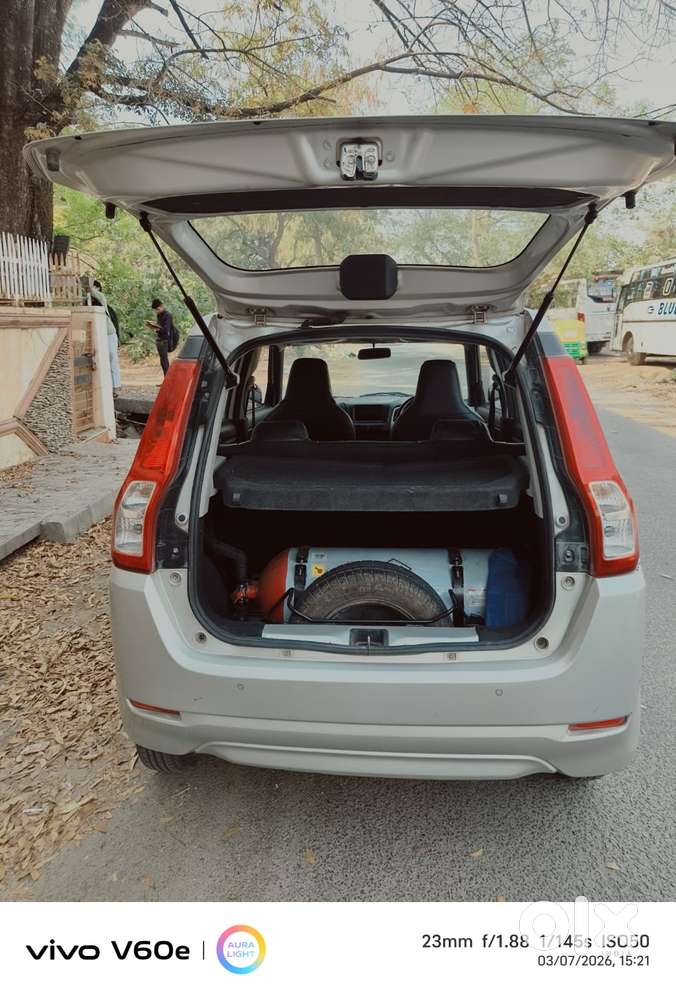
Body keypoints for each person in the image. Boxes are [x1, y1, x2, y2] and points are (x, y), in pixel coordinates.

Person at [91, 279, 121, 398]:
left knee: (112, 358)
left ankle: (116, 386)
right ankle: (107, 387)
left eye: (94, 287)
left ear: (98, 288)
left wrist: (87, 286)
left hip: (109, 333)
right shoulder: (88, 301)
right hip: (100, 334)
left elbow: (93, 292)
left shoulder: (102, 298)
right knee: (102, 361)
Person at [145, 298, 174, 378]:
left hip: (165, 340)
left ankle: (167, 380)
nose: (156, 311)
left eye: (157, 309)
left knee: (164, 361)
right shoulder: (159, 315)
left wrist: (157, 327)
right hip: (159, 339)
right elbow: (159, 327)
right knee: (162, 361)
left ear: (162, 306)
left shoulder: (168, 315)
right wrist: (153, 326)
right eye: (155, 310)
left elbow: (166, 330)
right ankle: (166, 379)